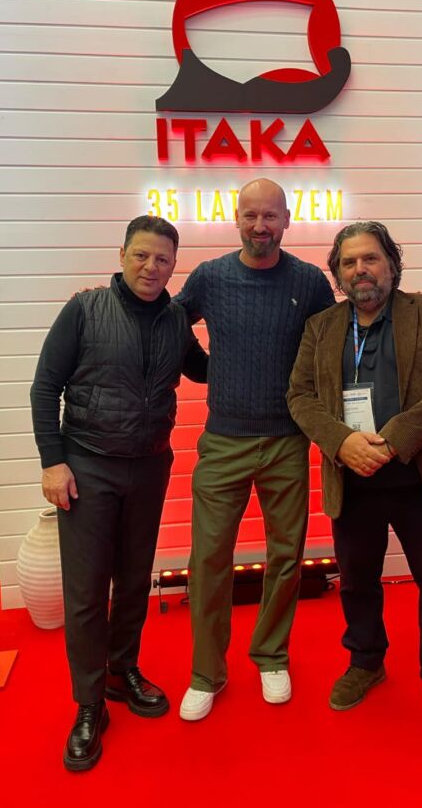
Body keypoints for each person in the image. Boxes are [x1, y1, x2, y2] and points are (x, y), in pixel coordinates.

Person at [287, 221, 422, 749]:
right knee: (356, 582)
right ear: (338, 274)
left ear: (392, 263)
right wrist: (342, 442)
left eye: (370, 258)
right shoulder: (321, 327)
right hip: (353, 477)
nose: (360, 270)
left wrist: (392, 441)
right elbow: (300, 396)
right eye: (348, 263)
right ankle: (366, 661)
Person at [30, 215, 207, 771]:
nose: (151, 267)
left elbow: (203, 370)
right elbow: (44, 388)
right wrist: (53, 463)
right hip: (88, 466)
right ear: (123, 254)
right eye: (141, 255)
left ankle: (121, 670)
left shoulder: (176, 320)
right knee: (86, 593)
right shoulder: (84, 310)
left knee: (133, 580)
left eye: (163, 259)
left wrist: (249, 340)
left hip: (150, 466)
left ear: (174, 266)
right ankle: (88, 704)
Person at [176, 178, 334, 721]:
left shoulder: (310, 282)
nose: (260, 226)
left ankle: (271, 656)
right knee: (208, 559)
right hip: (223, 441)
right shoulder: (210, 276)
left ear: (287, 219)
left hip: (287, 441)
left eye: (270, 216)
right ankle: (206, 673)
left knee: (286, 556)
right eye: (251, 215)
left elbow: (333, 345)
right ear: (236, 218)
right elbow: (169, 323)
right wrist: (204, 369)